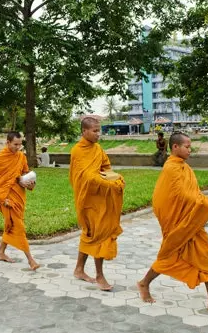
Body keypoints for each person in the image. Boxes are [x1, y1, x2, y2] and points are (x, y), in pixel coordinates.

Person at [137, 132, 208, 311]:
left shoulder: (184, 167)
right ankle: (144, 283)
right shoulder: (172, 169)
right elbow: (181, 196)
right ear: (175, 147)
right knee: (168, 257)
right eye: (187, 146)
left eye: (190, 146)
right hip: (178, 223)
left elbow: (194, 194)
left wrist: (207, 208)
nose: (190, 150)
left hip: (190, 223)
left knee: (205, 255)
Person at [69, 117, 125, 291]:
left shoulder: (98, 149)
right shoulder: (78, 151)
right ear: (84, 131)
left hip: (100, 198)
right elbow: (86, 176)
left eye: (99, 130)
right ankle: (100, 276)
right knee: (98, 234)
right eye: (94, 131)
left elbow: (106, 167)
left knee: (90, 233)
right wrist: (109, 183)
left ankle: (79, 269)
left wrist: (115, 178)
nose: (98, 134)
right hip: (87, 199)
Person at [0, 131, 40, 270]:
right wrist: (1, 198)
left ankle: (0, 252)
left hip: (18, 195)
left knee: (11, 225)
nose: (18, 147)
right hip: (6, 197)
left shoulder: (21, 157)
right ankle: (31, 260)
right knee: (18, 226)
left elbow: (25, 173)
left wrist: (30, 183)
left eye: (20, 144)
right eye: (15, 144)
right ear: (7, 143)